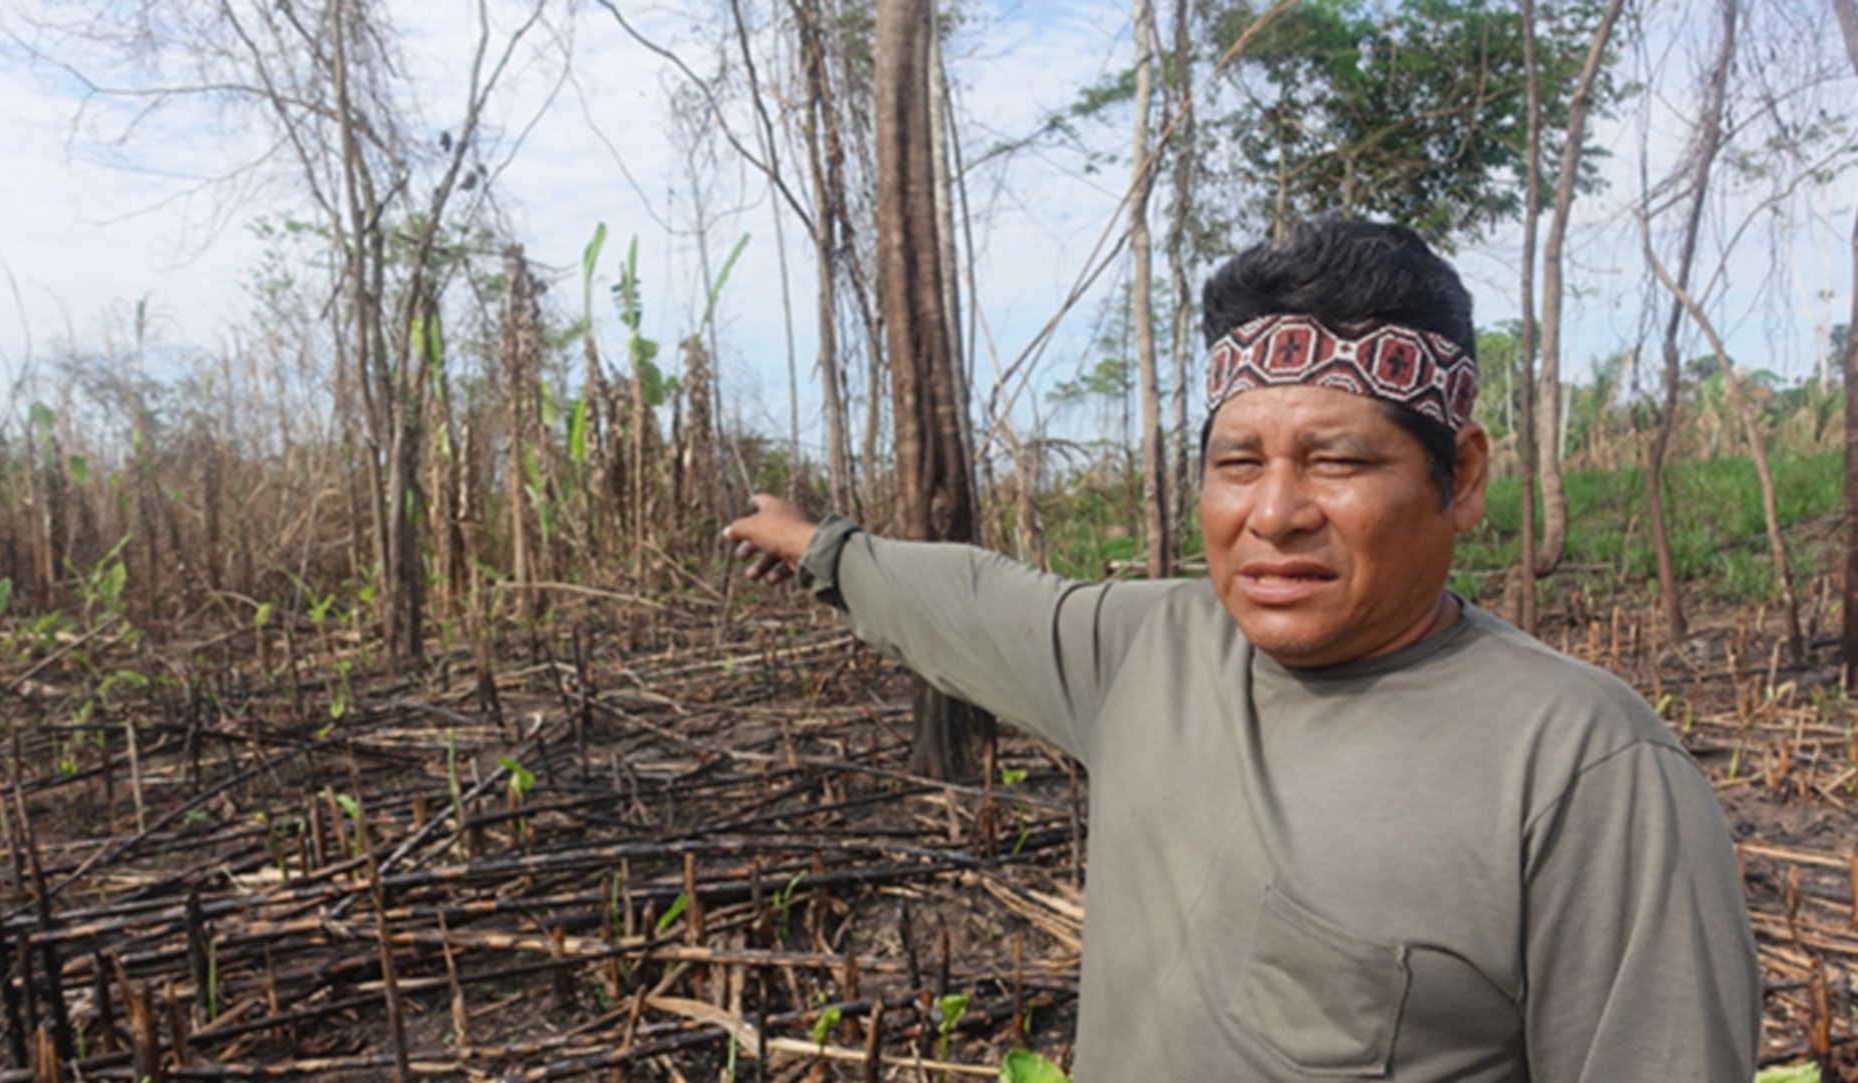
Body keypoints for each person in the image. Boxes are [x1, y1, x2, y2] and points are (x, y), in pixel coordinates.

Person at [723, 219, 1759, 1081]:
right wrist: (821, 548)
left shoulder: (1581, 770)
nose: (1273, 513)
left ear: (1465, 475)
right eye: (1237, 461)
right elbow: (973, 599)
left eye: (1338, 459)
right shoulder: (1151, 651)